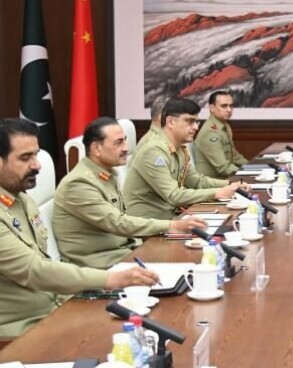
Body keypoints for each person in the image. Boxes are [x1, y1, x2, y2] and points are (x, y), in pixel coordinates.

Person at [0, 119, 157, 338]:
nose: (37, 165)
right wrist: (110, 280)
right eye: (26, 158)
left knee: (141, 328)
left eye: (36, 154)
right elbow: (33, 270)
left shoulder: (22, 200)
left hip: (56, 308)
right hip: (20, 331)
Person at [53, 117, 207, 269]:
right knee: (186, 265)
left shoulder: (106, 174)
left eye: (125, 140)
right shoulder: (79, 183)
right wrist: (171, 225)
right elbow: (117, 222)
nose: (126, 147)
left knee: (195, 257)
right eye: (119, 142)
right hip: (98, 265)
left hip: (121, 253)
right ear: (96, 149)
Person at [123, 98, 243, 220]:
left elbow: (196, 181)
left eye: (196, 122)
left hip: (170, 219)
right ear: (170, 122)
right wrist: (217, 192)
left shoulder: (178, 148)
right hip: (150, 227)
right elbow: (174, 195)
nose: (196, 127)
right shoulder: (154, 150)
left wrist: (230, 184)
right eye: (189, 121)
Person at [194, 90, 249, 178]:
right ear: (212, 108)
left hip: (224, 180)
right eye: (224, 106)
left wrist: (251, 167)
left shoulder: (224, 126)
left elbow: (235, 157)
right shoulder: (210, 133)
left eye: (231, 106)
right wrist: (247, 173)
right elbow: (223, 168)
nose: (229, 110)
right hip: (211, 185)